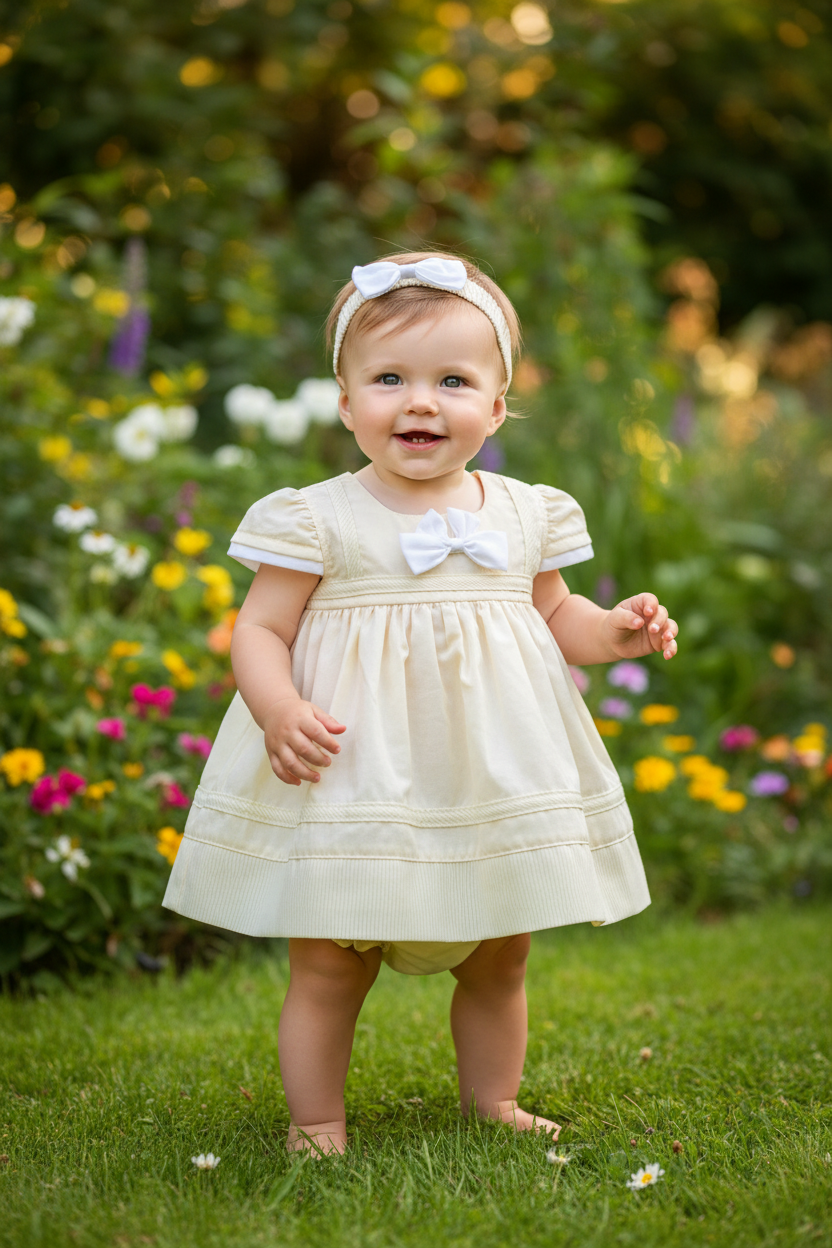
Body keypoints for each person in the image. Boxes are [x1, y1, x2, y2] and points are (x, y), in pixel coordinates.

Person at [163, 251, 678, 1157]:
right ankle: (317, 1121)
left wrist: (617, 630)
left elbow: (559, 615)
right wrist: (278, 707)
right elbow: (259, 631)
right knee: (329, 962)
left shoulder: (524, 513)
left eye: (453, 380)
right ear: (345, 399)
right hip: (353, 778)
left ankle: (493, 1100)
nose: (421, 402)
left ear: (498, 404)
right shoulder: (315, 517)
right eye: (389, 378)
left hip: (481, 777)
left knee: (499, 952)